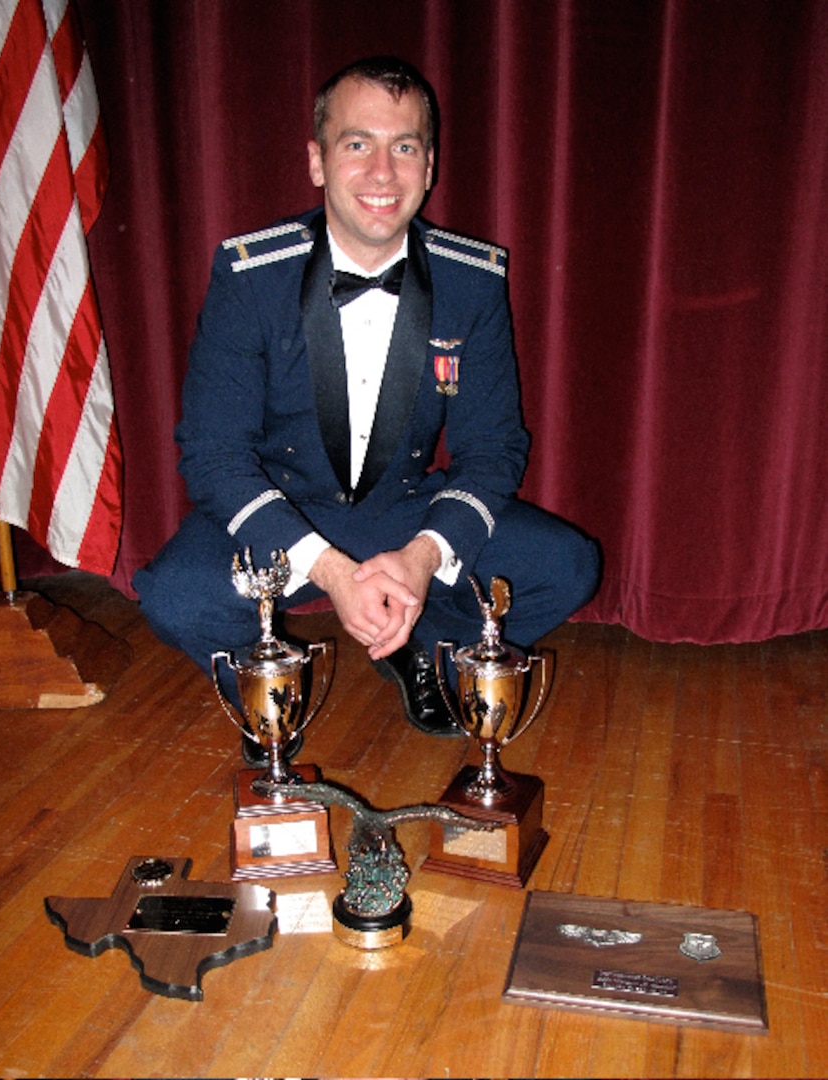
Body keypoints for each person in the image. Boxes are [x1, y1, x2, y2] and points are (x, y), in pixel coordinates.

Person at [134, 56, 600, 764]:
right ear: (317, 161)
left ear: (430, 165)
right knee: (174, 594)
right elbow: (212, 453)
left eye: (403, 147)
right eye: (357, 144)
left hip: (403, 505)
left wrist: (419, 559)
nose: (382, 173)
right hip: (280, 512)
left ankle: (429, 651)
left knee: (566, 565)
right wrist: (327, 570)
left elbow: (493, 448)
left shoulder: (468, 281)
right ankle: (268, 694)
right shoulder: (251, 277)